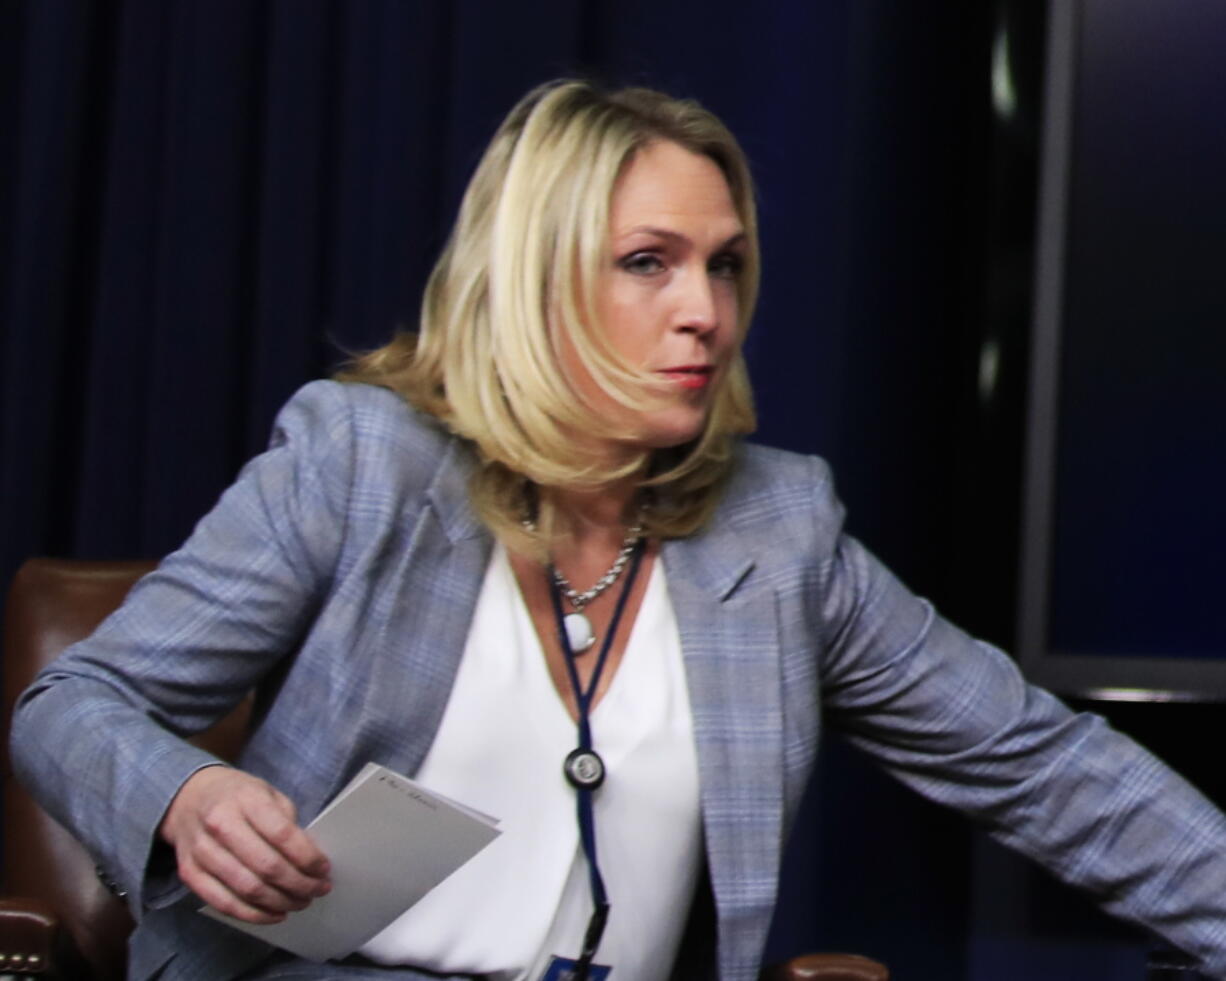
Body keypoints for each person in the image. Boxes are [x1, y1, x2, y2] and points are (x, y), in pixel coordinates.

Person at [11, 79, 1226, 981]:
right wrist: (183, 794)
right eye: (648, 262)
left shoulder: (778, 530)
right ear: (535, 274)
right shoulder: (360, 462)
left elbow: (1043, 767)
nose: (703, 310)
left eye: (725, 265)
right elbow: (72, 706)